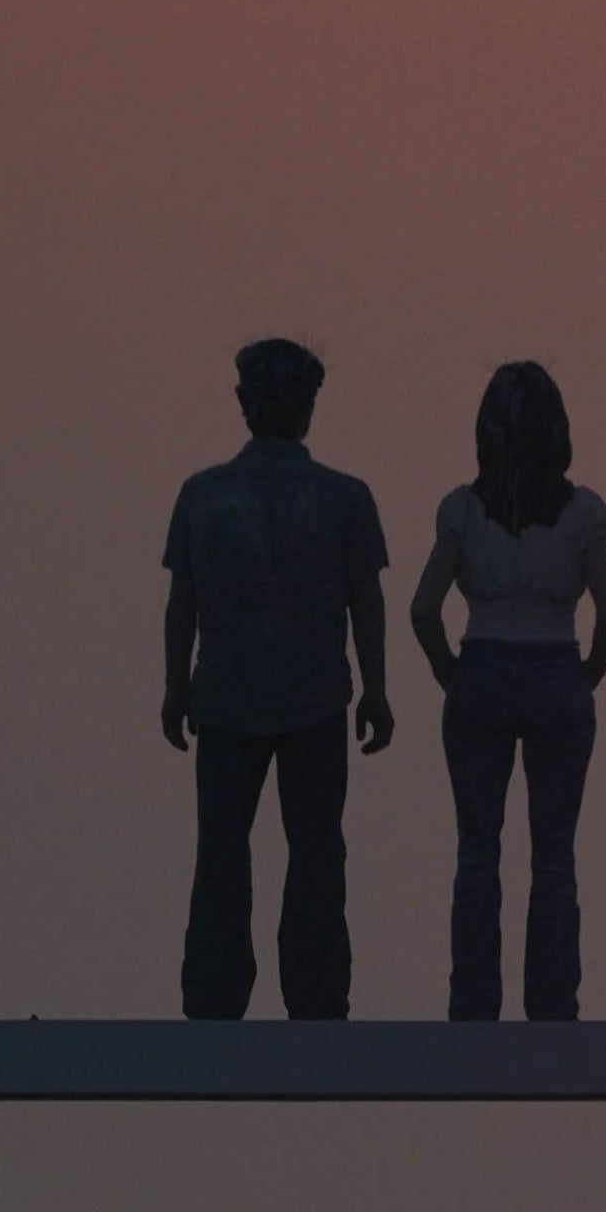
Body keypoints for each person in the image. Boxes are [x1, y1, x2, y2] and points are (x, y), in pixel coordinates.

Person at [161, 338, 395, 1020]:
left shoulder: (204, 495)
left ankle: (213, 995)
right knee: (317, 851)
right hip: (315, 697)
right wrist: (376, 689)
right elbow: (366, 603)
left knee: (222, 852)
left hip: (228, 696)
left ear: (243, 403)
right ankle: (317, 997)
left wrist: (177, 685)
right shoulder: (344, 497)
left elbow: (184, 602)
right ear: (309, 408)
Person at [409, 360, 606, 1021]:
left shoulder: (462, 511)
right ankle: (552, 1003)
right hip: (557, 667)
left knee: (479, 845)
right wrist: (589, 670)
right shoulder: (583, 512)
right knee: (553, 849)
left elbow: (423, 607)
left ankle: (474, 1003)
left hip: (481, 667)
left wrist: (450, 669)